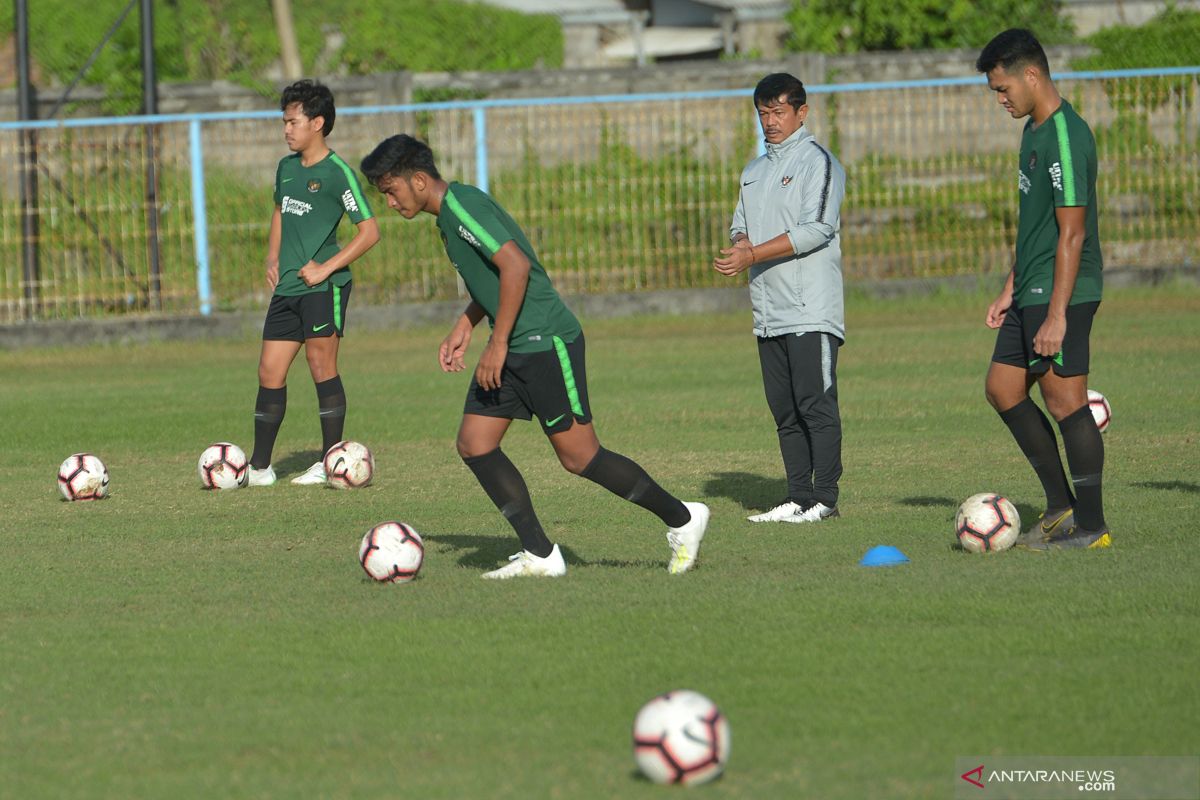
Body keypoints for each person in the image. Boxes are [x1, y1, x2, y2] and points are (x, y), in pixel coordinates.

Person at [359, 134, 709, 579]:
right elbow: (493, 276)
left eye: (391, 191)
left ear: (421, 180)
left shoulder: (464, 206)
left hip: (545, 341)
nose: (389, 202)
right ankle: (540, 554)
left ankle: (683, 519)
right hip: (513, 343)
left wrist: (497, 342)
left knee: (580, 458)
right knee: (475, 444)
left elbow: (516, 266)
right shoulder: (448, 217)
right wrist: (467, 323)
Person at [976, 29, 1109, 549]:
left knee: (1064, 399)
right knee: (1002, 389)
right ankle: (1060, 508)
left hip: (1065, 293)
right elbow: (1036, 225)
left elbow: (1072, 233)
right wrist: (1010, 286)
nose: (1001, 100)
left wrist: (1057, 315)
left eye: (1003, 89)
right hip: (1030, 287)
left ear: (1032, 74)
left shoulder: (1066, 136)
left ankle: (1093, 526)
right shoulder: (1031, 131)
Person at [715, 73, 847, 525]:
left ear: (801, 112)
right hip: (768, 312)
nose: (770, 121)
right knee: (786, 411)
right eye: (763, 113)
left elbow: (817, 229)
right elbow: (740, 222)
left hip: (811, 307)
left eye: (778, 111)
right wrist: (740, 242)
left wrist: (753, 252)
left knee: (816, 404)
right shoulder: (753, 171)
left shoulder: (819, 163)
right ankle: (798, 496)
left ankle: (825, 498)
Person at [247, 79, 380, 487]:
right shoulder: (286, 168)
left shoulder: (339, 173)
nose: (286, 129)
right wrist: (273, 256)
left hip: (325, 287)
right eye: (284, 122)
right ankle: (260, 468)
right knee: (269, 371)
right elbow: (279, 211)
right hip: (288, 287)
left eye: (293, 121)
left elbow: (369, 232)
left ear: (317, 123)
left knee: (321, 366)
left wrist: (325, 268)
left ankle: (330, 461)